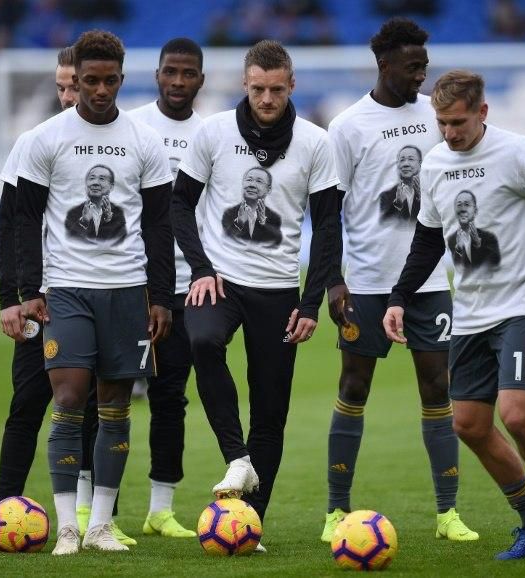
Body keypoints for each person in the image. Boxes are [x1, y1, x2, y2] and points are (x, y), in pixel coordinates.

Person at [384, 69, 525, 562]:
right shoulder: (435, 164)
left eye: (458, 122)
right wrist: (398, 298)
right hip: (471, 313)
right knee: (469, 425)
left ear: (482, 112)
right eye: (441, 123)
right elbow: (428, 241)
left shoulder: (517, 152)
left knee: (517, 416)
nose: (449, 133)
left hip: (524, 304)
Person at [0, 46, 136, 549]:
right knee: (29, 402)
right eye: (62, 86)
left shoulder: (116, 144)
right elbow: (8, 226)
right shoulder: (34, 143)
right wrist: (10, 296)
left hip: (101, 291)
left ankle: (97, 518)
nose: (67, 94)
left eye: (72, 85)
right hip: (43, 299)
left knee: (99, 404)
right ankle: (2, 511)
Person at [171, 40, 339, 551]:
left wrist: (310, 302)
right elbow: (179, 204)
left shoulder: (315, 143)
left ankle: (251, 524)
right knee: (202, 341)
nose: (267, 99)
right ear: (245, 84)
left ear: (292, 86)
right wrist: (201, 268)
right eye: (259, 89)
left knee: (270, 411)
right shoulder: (213, 132)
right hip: (220, 281)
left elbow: (328, 227)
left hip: (279, 290)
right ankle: (237, 458)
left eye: (277, 90)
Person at [15, 30, 174, 555]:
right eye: (90, 81)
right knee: (67, 398)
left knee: (116, 405)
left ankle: (100, 524)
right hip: (68, 290)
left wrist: (161, 297)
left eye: (109, 81)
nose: (100, 90)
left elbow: (159, 225)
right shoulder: (46, 139)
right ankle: (67, 526)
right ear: (75, 80)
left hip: (127, 290)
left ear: (121, 79)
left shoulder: (144, 141)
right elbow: (25, 219)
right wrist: (27, 290)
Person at [321, 18, 477, 543]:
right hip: (367, 282)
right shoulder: (348, 126)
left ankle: (447, 513)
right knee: (354, 386)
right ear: (384, 64)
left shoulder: (435, 116)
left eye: (424, 67)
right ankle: (335, 510)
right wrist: (333, 281)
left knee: (437, 387)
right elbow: (329, 211)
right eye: (413, 67)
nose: (421, 76)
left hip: (428, 281)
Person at [128, 37, 206, 539]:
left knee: (170, 397)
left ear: (201, 79)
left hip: (182, 289)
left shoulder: (211, 134)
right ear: (157, 74)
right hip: (127, 281)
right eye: (170, 72)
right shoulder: (132, 127)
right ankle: (93, 507)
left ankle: (161, 508)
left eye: (187, 73)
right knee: (105, 396)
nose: (178, 81)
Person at [65, 164, 127, 241]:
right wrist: (84, 222)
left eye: (102, 179)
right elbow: (70, 240)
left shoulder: (118, 213)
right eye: (92, 178)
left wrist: (108, 221)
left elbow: (118, 242)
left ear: (111, 187)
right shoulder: (73, 213)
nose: (95, 182)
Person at [221, 166, 283, 244]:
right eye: (249, 180)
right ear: (243, 183)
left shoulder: (274, 218)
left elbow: (274, 243)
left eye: (259, 181)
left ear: (269, 189)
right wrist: (239, 223)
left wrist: (262, 224)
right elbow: (226, 239)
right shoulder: (229, 213)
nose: (252, 185)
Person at [446, 190, 501, 270]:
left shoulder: (489, 238)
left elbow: (494, 265)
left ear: (475, 211)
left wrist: (478, 246)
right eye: (459, 205)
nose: (463, 209)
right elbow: (453, 269)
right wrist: (459, 250)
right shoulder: (451, 240)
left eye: (467, 204)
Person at [379, 144, 423, 220]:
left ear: (420, 163)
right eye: (402, 160)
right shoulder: (386, 196)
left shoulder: (430, 191)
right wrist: (398, 205)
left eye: (411, 159)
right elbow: (383, 222)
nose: (406, 164)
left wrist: (422, 199)